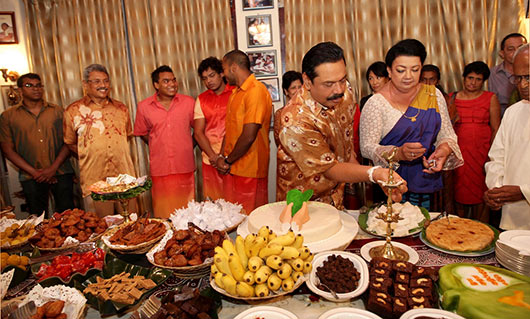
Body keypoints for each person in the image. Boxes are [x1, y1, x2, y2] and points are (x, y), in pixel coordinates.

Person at [276, 42, 407, 208]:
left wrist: (375, 179)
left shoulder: (345, 94)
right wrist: (375, 173)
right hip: (304, 203)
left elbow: (345, 148)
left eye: (342, 80)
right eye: (328, 84)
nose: (339, 89)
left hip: (336, 196)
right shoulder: (295, 121)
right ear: (307, 81)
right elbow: (330, 169)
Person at [360, 39, 463, 211]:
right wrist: (398, 153)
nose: (408, 76)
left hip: (427, 180)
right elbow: (367, 147)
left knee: (426, 229)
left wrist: (443, 150)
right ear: (389, 71)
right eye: (401, 70)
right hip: (390, 182)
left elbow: (447, 134)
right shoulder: (376, 103)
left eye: (415, 70)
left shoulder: (433, 95)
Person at [63, 64, 136, 217]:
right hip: (95, 180)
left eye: (106, 81)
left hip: (124, 178)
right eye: (96, 81)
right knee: (101, 226)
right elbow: (69, 142)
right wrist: (87, 153)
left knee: (132, 224)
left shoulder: (121, 108)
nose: (103, 85)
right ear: (85, 84)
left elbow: (127, 135)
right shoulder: (73, 111)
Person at [0, 73, 74, 216]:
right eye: (29, 85)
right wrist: (35, 172)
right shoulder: (8, 116)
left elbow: (69, 142)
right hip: (30, 177)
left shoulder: (58, 111)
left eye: (38, 85)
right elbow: (7, 150)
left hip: (61, 172)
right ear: (20, 90)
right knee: (38, 219)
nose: (36, 89)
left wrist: (52, 169)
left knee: (69, 217)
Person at [215, 50, 272, 213]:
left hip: (250, 168)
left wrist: (227, 161)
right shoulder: (235, 93)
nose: (224, 74)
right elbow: (230, 129)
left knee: (250, 220)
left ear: (233, 68)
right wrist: (221, 157)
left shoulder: (256, 91)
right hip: (232, 168)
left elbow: (249, 135)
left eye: (224, 69)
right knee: (232, 218)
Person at [134, 65, 195, 218]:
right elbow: (142, 132)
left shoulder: (189, 102)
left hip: (185, 166)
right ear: (156, 85)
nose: (172, 84)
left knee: (187, 213)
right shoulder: (144, 107)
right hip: (160, 168)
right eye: (166, 81)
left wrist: (186, 145)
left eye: (174, 80)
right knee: (164, 213)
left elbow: (199, 130)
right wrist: (158, 144)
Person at [484, 44, 530, 230]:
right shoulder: (513, 112)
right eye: (517, 78)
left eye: (528, 77)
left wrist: (524, 192)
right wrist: (497, 190)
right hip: (511, 216)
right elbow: (496, 158)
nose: (522, 85)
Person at [451, 61, 501, 222]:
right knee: (458, 188)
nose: (473, 82)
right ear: (463, 78)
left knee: (480, 188)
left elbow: (496, 128)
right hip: (458, 150)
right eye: (470, 78)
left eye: (478, 79)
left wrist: (493, 154)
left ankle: (481, 226)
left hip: (482, 151)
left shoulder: (490, 98)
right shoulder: (452, 98)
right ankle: (458, 226)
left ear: (484, 81)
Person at [194, 57, 234, 200]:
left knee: (236, 202)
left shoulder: (235, 93)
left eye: (212, 76)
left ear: (221, 74)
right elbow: (198, 132)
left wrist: (222, 157)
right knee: (214, 204)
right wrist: (214, 157)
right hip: (209, 160)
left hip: (233, 158)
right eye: (205, 78)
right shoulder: (201, 99)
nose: (209, 81)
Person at [488, 33, 527, 117]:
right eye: (511, 49)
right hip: (502, 121)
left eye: (521, 48)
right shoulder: (491, 74)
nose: (517, 52)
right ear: (502, 53)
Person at [273, 71, 303, 146]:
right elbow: (278, 140)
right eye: (293, 88)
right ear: (286, 91)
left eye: (300, 87)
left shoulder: (311, 109)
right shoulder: (280, 113)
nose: (297, 91)